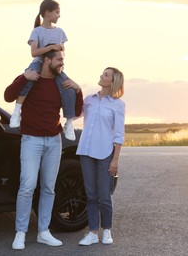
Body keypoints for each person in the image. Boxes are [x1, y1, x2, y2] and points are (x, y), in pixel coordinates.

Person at [4, 49, 83, 250]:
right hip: (31, 140)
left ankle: (43, 232)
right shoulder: (31, 78)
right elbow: (8, 96)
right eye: (59, 60)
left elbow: (77, 111)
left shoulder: (61, 84)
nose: (62, 64)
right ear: (46, 60)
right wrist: (23, 77)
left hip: (54, 141)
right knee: (27, 186)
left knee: (48, 187)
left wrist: (78, 89)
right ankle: (20, 233)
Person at [9, 0, 77, 141]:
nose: (59, 15)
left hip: (54, 65)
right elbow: (34, 52)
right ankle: (16, 112)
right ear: (47, 13)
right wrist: (51, 48)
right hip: (39, 62)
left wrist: (58, 56)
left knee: (69, 87)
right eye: (57, 12)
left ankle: (69, 123)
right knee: (28, 79)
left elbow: (62, 51)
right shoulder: (37, 31)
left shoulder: (60, 32)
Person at [76, 67, 125, 246]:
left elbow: (119, 134)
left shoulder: (118, 104)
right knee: (90, 195)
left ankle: (107, 231)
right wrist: (74, 90)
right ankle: (92, 232)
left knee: (104, 195)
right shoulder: (89, 99)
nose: (101, 76)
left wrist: (115, 159)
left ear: (113, 82)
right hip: (86, 152)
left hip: (105, 153)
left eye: (106, 75)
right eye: (102, 73)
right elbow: (74, 114)